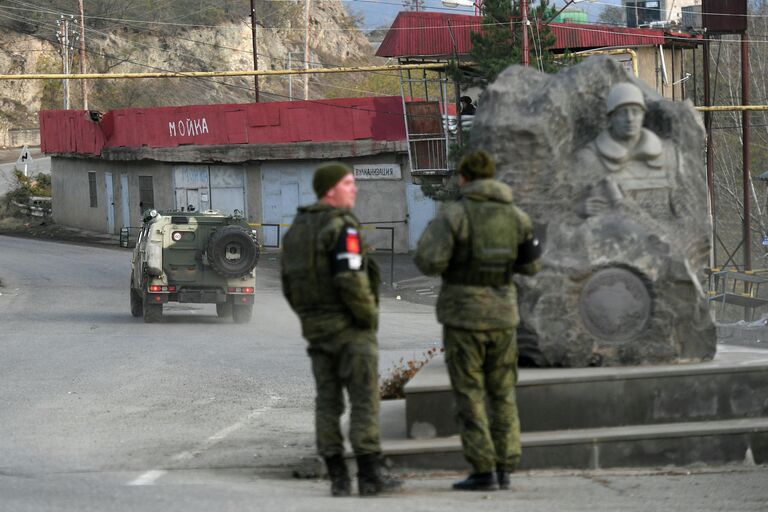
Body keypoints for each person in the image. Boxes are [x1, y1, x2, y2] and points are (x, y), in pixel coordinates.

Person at [414, 149, 541, 491]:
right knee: (503, 391)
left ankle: (483, 468)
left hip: (464, 318)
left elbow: (428, 262)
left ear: (464, 178)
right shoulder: (517, 217)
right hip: (502, 316)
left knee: (470, 392)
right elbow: (531, 266)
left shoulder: (454, 216)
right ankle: (506, 465)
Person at [280, 162, 401, 497]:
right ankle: (370, 475)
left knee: (327, 401)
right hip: (349, 329)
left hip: (316, 329)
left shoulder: (297, 229)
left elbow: (288, 284)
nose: (355, 188)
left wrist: (310, 317)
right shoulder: (342, 226)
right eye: (348, 183)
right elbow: (350, 277)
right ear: (330, 189)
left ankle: (337, 478)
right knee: (364, 399)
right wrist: (368, 318)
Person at [576, 82, 676, 220]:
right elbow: (556, 205)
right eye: (623, 113)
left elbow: (684, 208)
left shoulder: (668, 154)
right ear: (611, 117)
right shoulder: (589, 158)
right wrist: (578, 209)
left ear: (643, 115)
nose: (630, 119)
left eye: (635, 112)